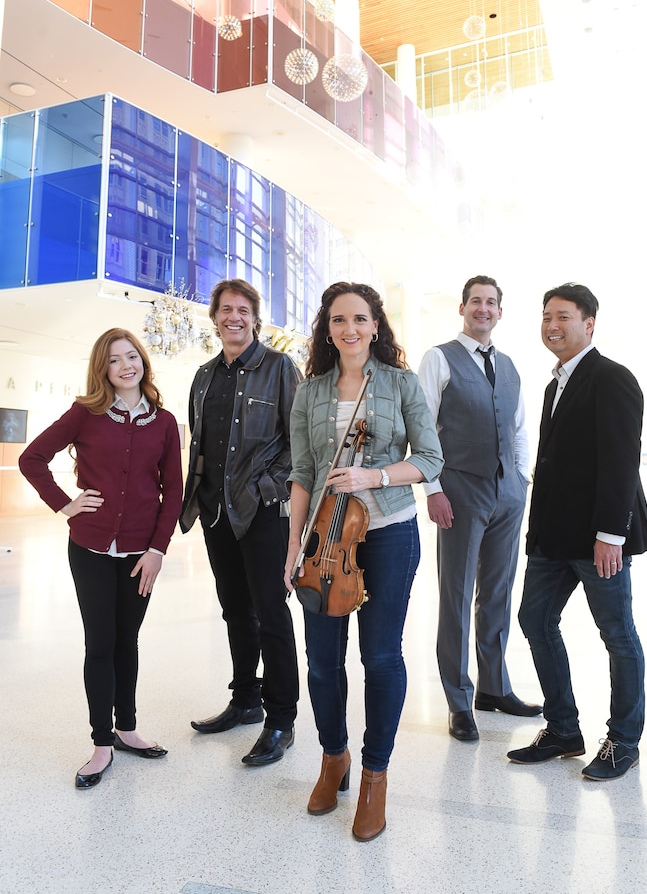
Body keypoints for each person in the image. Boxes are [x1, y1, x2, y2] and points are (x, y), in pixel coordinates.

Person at [284, 282, 443, 842]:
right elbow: (302, 473)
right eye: (337, 320)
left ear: (376, 324)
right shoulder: (311, 391)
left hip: (389, 534)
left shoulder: (401, 384)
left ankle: (375, 774)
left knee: (380, 657)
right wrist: (291, 551)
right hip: (324, 540)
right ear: (327, 330)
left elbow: (428, 458)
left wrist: (372, 476)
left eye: (359, 318)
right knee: (324, 662)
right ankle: (334, 760)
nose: (349, 328)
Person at [19, 328, 182, 788]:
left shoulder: (164, 422)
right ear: (103, 369)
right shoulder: (84, 414)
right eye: (115, 360)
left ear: (143, 361)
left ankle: (127, 728)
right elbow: (33, 458)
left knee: (127, 640)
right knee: (101, 643)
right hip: (90, 548)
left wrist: (157, 550)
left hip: (140, 553)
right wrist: (65, 503)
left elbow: (174, 491)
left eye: (132, 356)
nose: (126, 365)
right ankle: (101, 744)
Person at [507, 283, 647, 780]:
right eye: (546, 315)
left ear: (589, 323)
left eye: (564, 316)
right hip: (553, 537)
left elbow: (620, 462)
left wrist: (611, 535)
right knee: (534, 618)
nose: (552, 325)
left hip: (597, 540)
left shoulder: (612, 379)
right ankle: (564, 729)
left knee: (617, 635)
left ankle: (624, 741)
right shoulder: (555, 384)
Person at [180, 279, 300, 766]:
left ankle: (282, 720)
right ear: (215, 317)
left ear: (255, 318)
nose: (234, 317)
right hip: (214, 513)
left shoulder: (279, 368)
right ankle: (246, 700)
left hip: (261, 513)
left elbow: (299, 442)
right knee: (234, 611)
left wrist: (266, 489)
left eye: (243, 310)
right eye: (226, 309)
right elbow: (199, 445)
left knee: (272, 613)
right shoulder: (204, 375)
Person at [417, 275, 541, 743]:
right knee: (455, 594)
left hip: (507, 492)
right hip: (460, 490)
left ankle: (494, 688)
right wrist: (432, 489)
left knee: (497, 592)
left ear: (500, 312)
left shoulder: (509, 365)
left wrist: (521, 479)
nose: (483, 309)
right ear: (463, 308)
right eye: (476, 302)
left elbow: (519, 426)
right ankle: (458, 698)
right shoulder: (439, 358)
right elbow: (423, 427)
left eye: (491, 303)